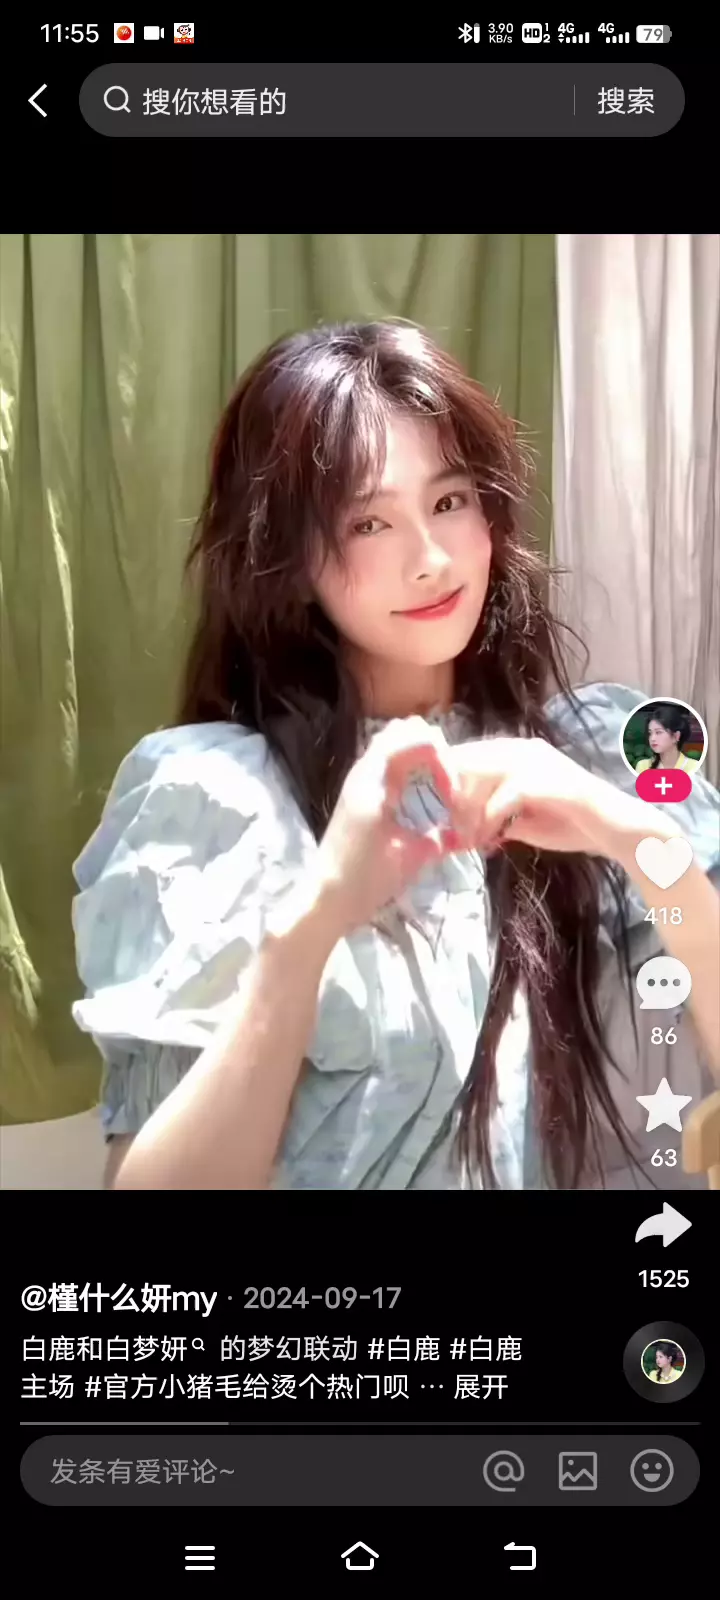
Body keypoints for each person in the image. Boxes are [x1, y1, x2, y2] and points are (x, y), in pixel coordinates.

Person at [70, 320, 720, 1192]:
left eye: (450, 502)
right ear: (288, 559)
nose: (430, 560)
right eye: (369, 522)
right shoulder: (212, 795)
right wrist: (313, 923)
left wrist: (640, 841)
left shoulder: (607, 751)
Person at [635, 705, 701, 775]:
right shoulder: (643, 766)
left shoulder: (694, 767)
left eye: (658, 732)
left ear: (676, 736)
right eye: (650, 733)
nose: (652, 738)